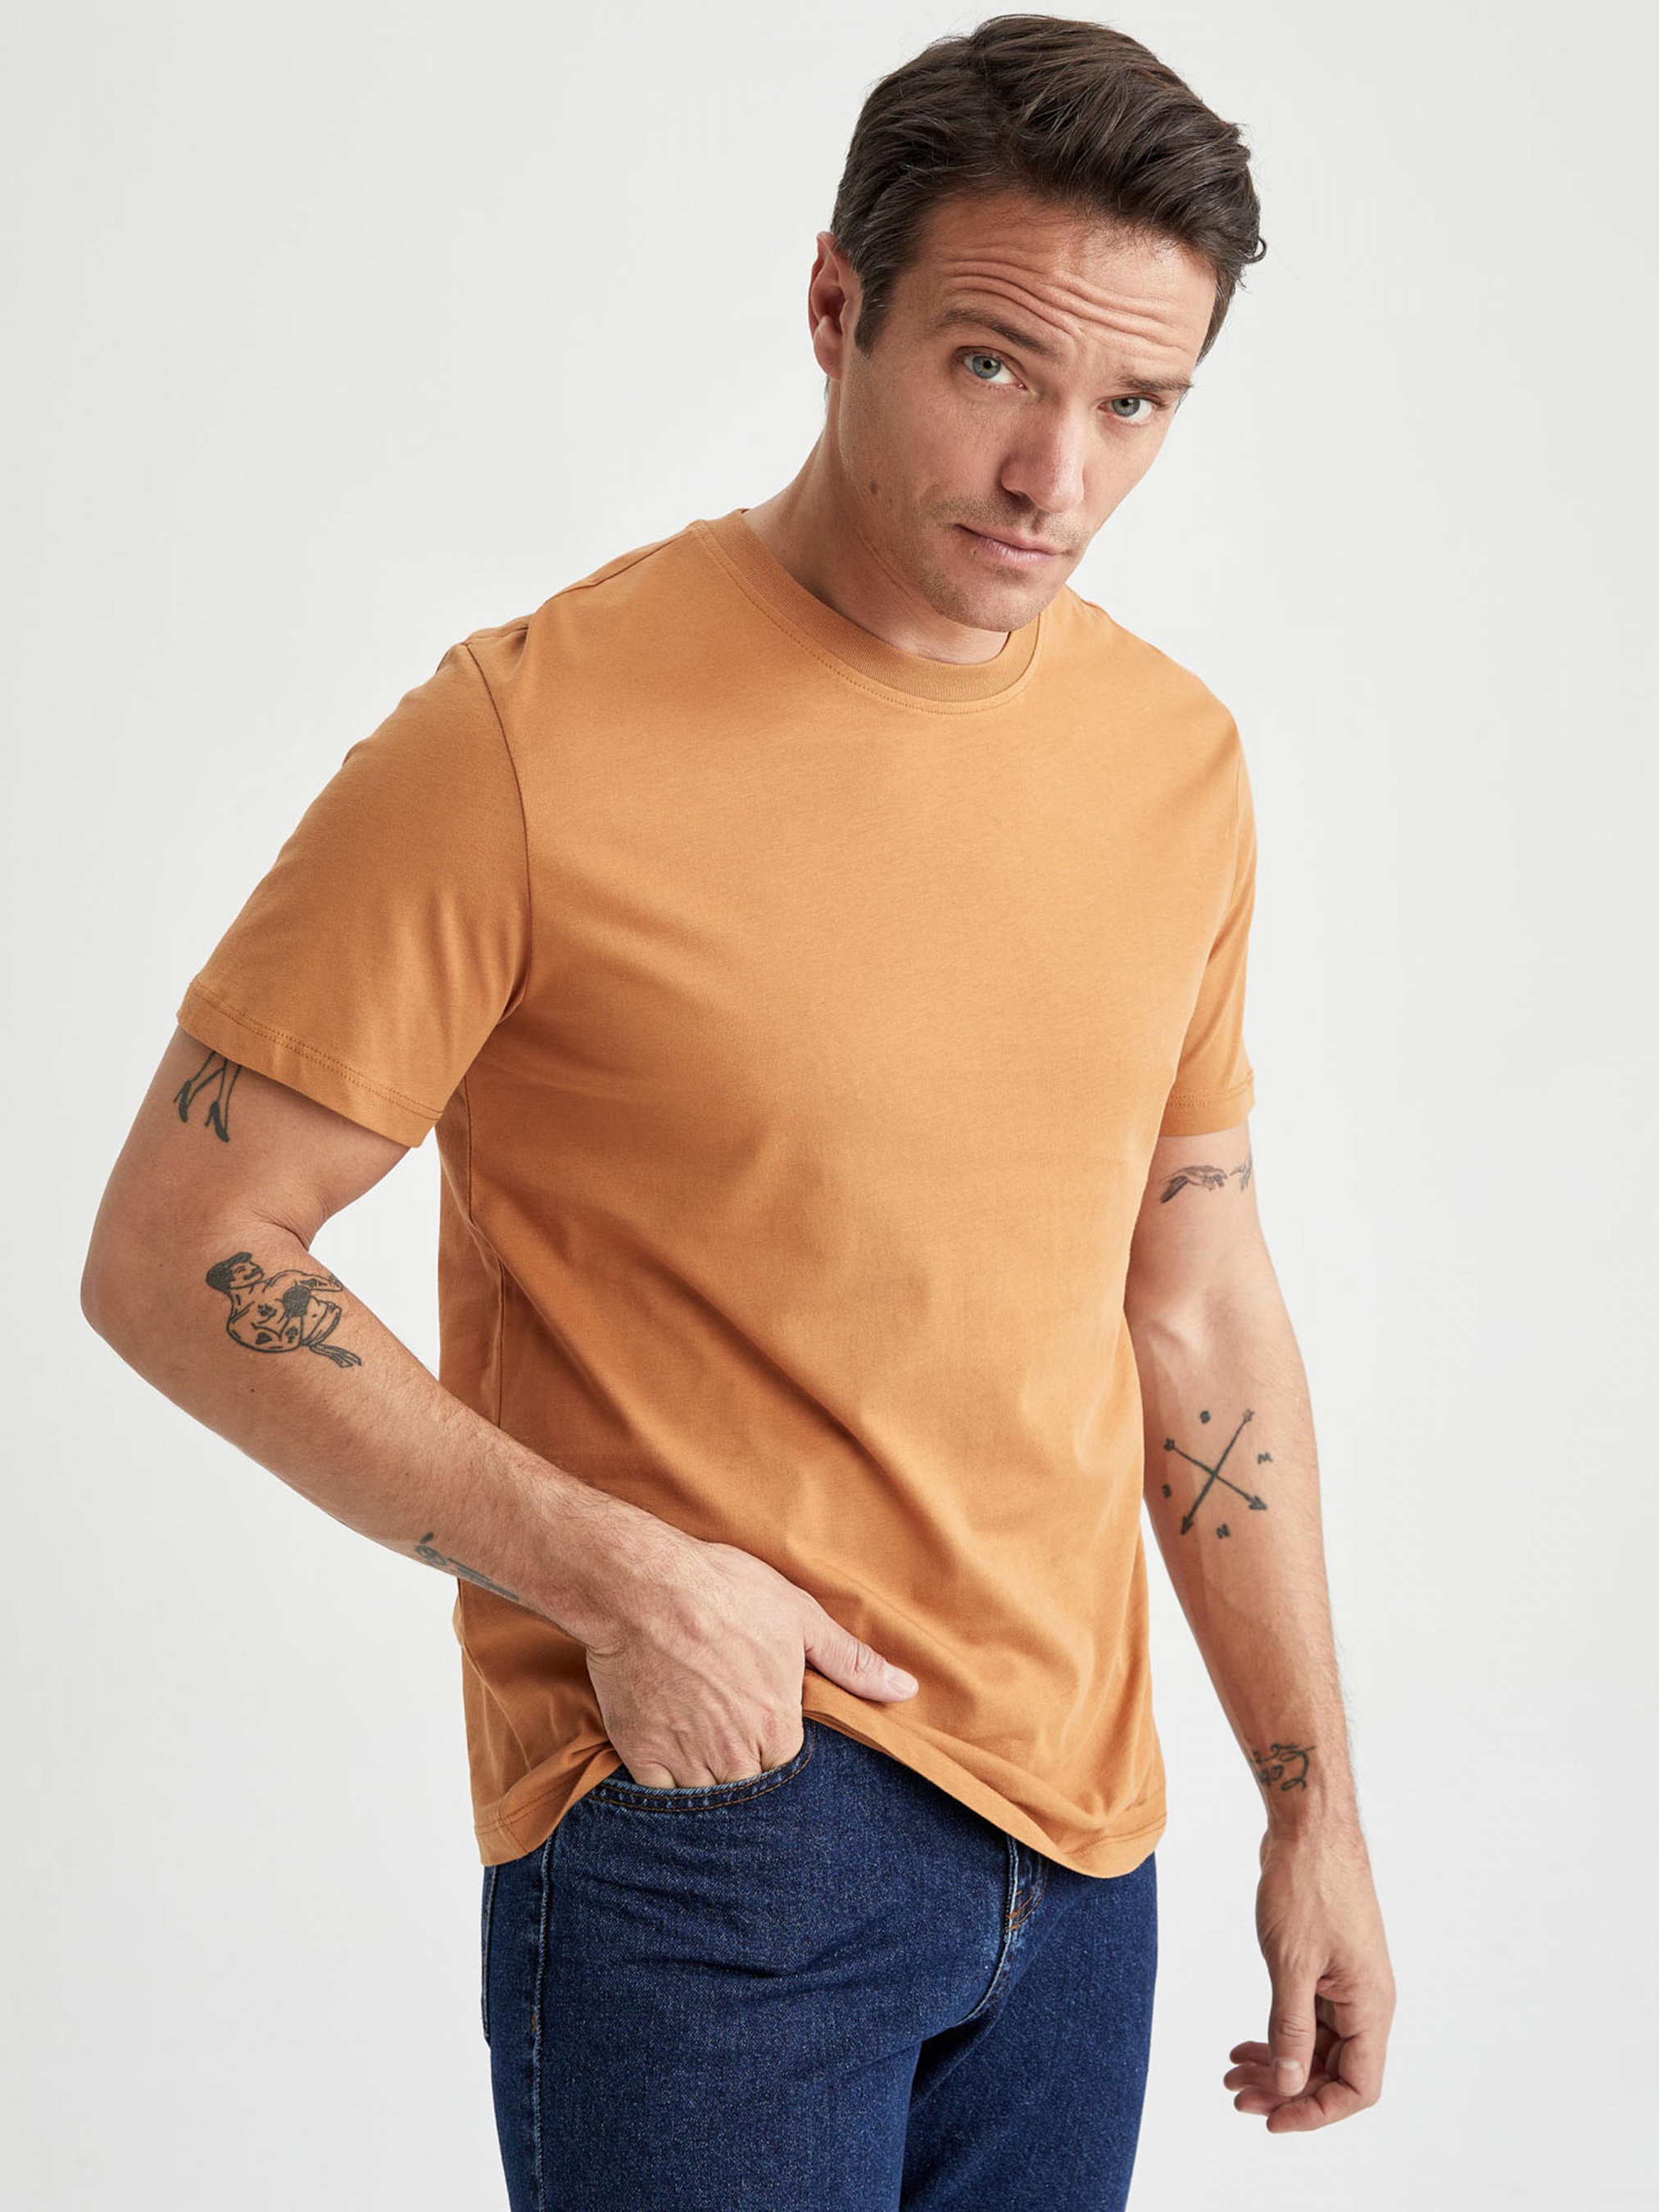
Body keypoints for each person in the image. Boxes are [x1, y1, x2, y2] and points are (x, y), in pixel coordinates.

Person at [80, 13, 1395, 2205]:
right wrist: (620, 1581)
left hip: (1084, 1862)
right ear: (832, 307)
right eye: (991, 364)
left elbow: (1191, 1298)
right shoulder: (525, 738)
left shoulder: (1176, 765)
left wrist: (1313, 1802)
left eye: (1134, 404)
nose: (1052, 477)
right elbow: (175, 1251)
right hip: (719, 1827)